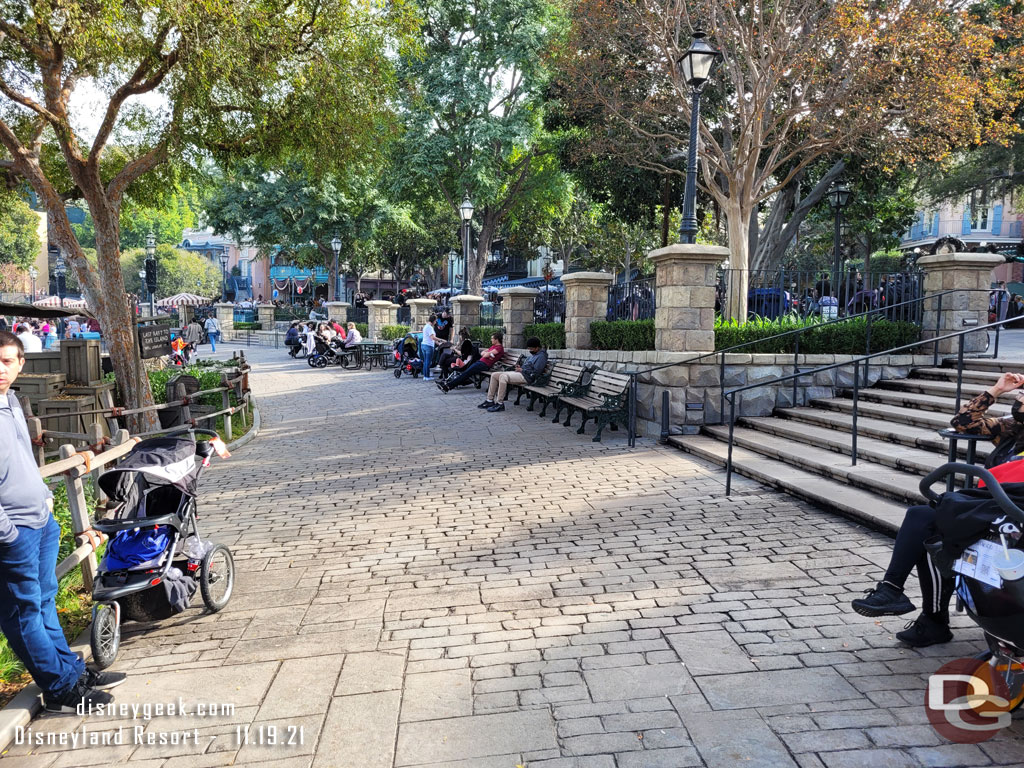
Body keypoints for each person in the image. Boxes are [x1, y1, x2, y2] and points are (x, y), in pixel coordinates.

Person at [851, 371, 1024, 647]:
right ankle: (898, 593)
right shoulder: (1012, 429)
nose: (1020, 397)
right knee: (924, 520)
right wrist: (996, 389)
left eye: (1023, 396)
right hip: (990, 510)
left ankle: (928, 618)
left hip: (1012, 518)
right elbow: (963, 423)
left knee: (935, 523)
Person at [0, 331, 125, 712]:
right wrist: (7, 533)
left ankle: (70, 671)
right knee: (24, 615)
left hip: (39, 521)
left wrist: (46, 505)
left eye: (7, 361)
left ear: (21, 364)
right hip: (14, 533)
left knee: (44, 603)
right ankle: (61, 690)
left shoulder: (10, 401)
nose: (0, 370)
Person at [478, 337, 549, 413]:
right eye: (529, 348)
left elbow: (536, 372)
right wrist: (520, 368)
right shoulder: (534, 354)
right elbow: (528, 366)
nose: (530, 350)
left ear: (537, 347)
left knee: (503, 377)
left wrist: (522, 370)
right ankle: (489, 400)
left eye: (531, 349)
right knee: (494, 375)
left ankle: (500, 403)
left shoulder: (541, 357)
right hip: (521, 373)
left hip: (527, 377)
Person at [437, 331, 504, 393]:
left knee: (466, 373)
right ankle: (447, 385)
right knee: (465, 373)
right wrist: (488, 353)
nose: (491, 340)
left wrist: (487, 353)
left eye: (492, 338)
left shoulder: (499, 348)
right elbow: (482, 353)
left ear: (496, 339)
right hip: (480, 363)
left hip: (484, 365)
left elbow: (485, 354)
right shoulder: (493, 347)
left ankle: (447, 386)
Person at [420, 314, 438, 381]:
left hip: (424, 345)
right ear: (433, 321)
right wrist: (441, 340)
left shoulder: (426, 326)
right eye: (435, 321)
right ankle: (427, 376)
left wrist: (438, 343)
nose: (436, 323)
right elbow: (432, 337)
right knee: (428, 362)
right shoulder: (430, 327)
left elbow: (430, 338)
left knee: (425, 361)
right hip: (428, 346)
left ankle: (425, 376)